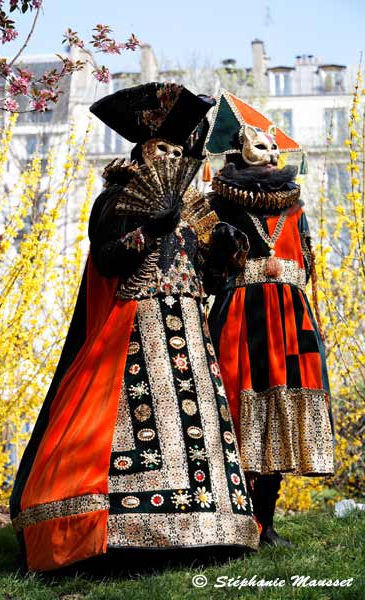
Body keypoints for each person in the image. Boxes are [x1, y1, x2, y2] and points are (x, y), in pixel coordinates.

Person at [10, 83, 259, 572]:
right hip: (138, 326)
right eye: (162, 148)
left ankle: (210, 531)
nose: (172, 156)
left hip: (188, 325)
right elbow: (106, 259)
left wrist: (229, 251)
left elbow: (210, 274)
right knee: (136, 419)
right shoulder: (118, 197)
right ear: (142, 152)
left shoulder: (195, 208)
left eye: (178, 149)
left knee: (197, 423)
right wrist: (151, 230)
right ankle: (123, 533)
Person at [204, 90, 334, 547]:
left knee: (283, 408)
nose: (272, 153)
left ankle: (268, 522)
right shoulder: (220, 203)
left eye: (275, 147)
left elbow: (306, 260)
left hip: (291, 318)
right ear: (238, 149)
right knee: (242, 405)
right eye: (261, 146)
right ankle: (236, 520)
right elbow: (209, 264)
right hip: (242, 315)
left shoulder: (294, 206)